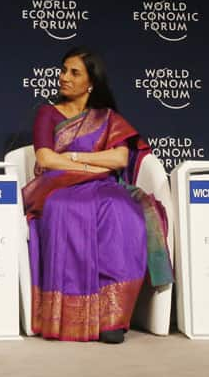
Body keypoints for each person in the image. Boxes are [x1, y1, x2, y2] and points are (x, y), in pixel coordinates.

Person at [22, 47, 172, 344]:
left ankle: (111, 318)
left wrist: (77, 159)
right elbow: (47, 159)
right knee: (67, 209)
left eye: (74, 72)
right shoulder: (48, 113)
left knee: (122, 211)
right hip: (57, 186)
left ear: (91, 82)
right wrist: (89, 164)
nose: (64, 77)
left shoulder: (107, 118)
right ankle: (70, 317)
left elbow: (118, 159)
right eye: (63, 70)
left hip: (103, 186)